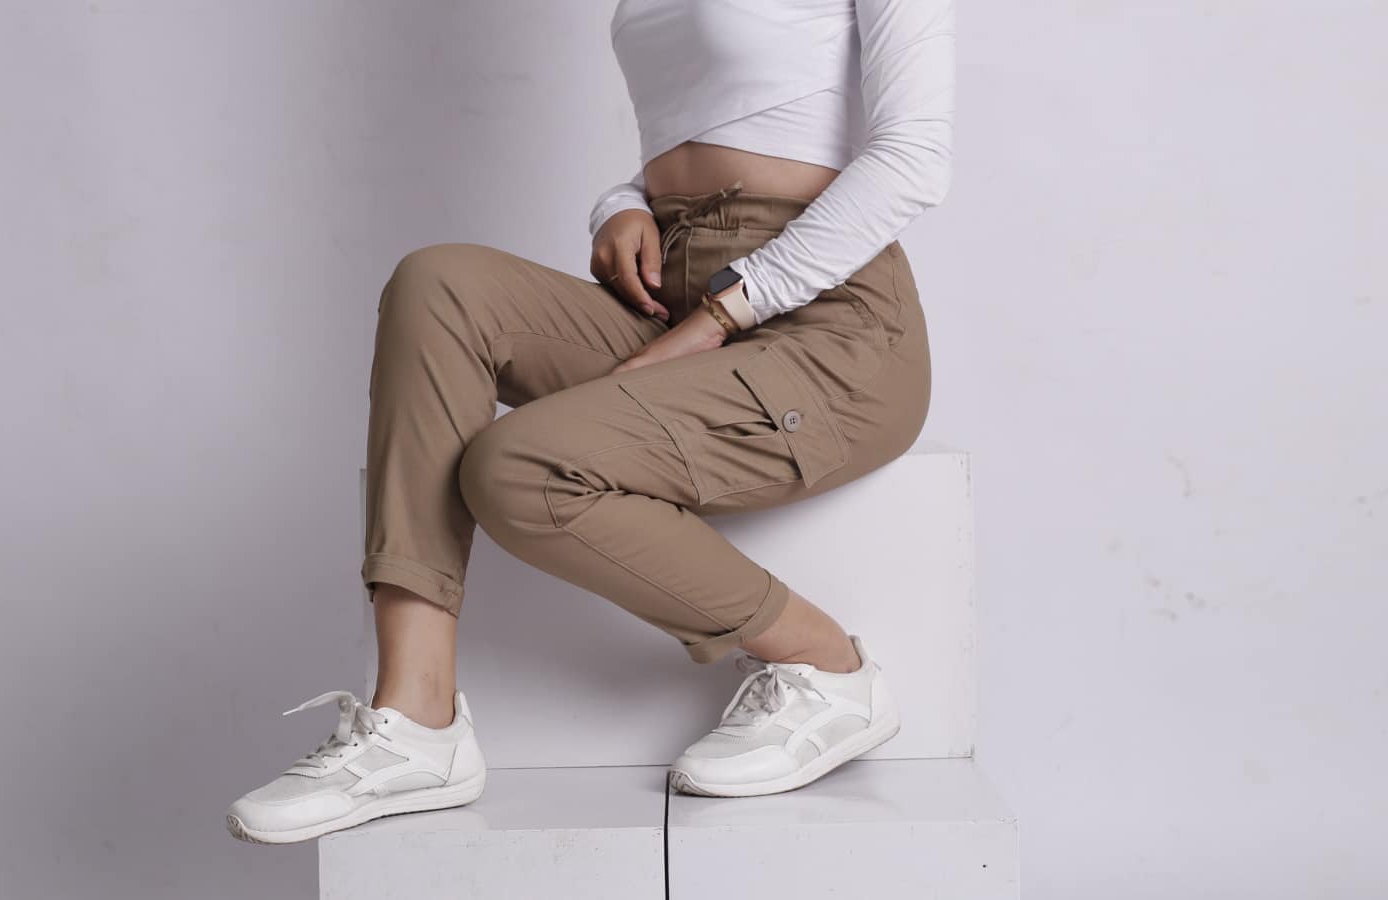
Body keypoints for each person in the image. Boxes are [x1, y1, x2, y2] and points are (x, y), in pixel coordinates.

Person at [226, 0, 955, 844]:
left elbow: (912, 158)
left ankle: (826, 665)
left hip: (830, 324)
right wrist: (620, 204)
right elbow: (700, 125)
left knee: (519, 468)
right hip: (673, 288)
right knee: (439, 285)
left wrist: (724, 314)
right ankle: (417, 721)